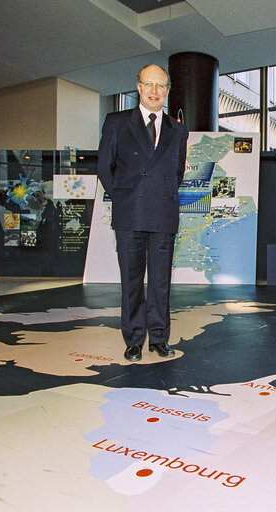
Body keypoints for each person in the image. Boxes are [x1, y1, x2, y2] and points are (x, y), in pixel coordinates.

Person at [97, 64, 188, 361]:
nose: (154, 91)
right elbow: (104, 168)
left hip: (163, 213)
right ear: (138, 87)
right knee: (132, 280)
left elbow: (176, 173)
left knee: (161, 281)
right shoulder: (116, 122)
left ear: (168, 90)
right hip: (130, 213)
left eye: (160, 85)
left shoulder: (178, 129)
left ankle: (159, 338)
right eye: (148, 84)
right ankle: (134, 339)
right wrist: (124, 197)